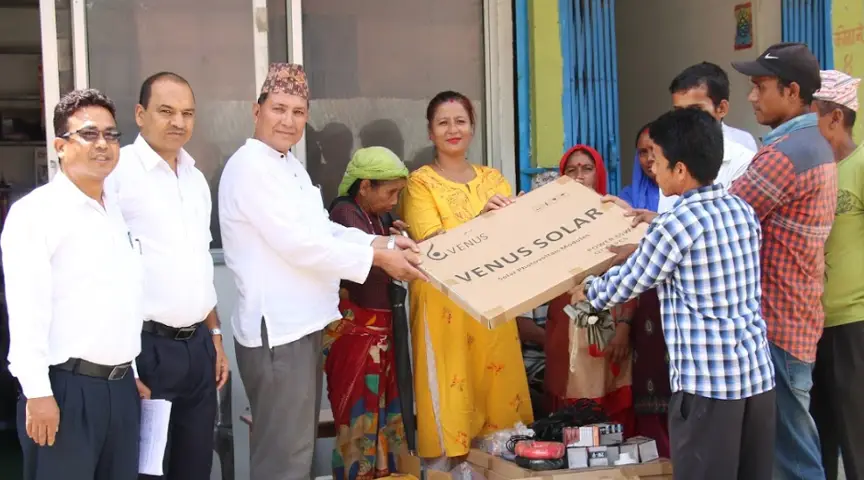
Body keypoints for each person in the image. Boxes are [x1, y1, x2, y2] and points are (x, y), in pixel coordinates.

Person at [218, 63, 426, 480]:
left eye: (298, 111)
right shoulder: (250, 168)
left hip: (304, 326)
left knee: (296, 451)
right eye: (278, 108)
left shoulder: (289, 166)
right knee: (284, 458)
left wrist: (381, 244)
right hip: (278, 332)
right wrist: (378, 259)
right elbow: (299, 245)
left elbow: (323, 230)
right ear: (256, 110)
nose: (288, 120)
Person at [572, 107, 776, 479]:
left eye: (658, 160)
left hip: (708, 390)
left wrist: (586, 288)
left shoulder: (676, 224)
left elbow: (627, 281)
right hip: (757, 381)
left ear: (680, 169)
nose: (652, 168)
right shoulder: (742, 211)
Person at [2, 89, 143, 480]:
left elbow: (120, 298)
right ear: (60, 147)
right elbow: (27, 309)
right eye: (89, 134)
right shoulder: (36, 214)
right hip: (64, 390)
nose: (103, 144)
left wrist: (130, 372)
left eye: (111, 135)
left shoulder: (115, 211)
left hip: (120, 389)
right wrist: (37, 392)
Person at [401, 90, 533, 469]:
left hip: (491, 306)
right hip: (444, 309)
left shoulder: (494, 179)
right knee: (451, 400)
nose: (452, 129)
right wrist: (482, 221)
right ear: (430, 132)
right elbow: (432, 246)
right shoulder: (420, 183)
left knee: (497, 407)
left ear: (472, 128)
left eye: (460, 121)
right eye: (443, 123)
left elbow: (510, 241)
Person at [104, 72, 227, 480]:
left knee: (195, 467)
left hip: (198, 349)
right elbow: (104, 271)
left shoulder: (195, 179)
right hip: (146, 349)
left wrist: (215, 336)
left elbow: (199, 265)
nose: (178, 122)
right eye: (166, 111)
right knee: (147, 470)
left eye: (187, 113)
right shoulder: (117, 174)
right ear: (140, 114)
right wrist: (129, 364)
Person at [730, 42, 836, 480]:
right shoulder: (810, 144)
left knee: (792, 456)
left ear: (792, 92)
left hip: (779, 324)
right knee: (783, 450)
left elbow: (727, 216)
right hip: (794, 318)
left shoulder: (788, 154)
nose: (752, 97)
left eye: (761, 86)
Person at [323, 146, 410, 480]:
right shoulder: (345, 213)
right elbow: (369, 268)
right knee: (359, 427)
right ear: (364, 186)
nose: (394, 202)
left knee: (383, 425)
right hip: (356, 341)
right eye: (390, 193)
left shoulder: (378, 216)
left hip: (381, 339)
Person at [543, 145, 635, 434]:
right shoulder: (548, 225)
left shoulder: (617, 215)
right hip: (565, 324)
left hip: (608, 322)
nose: (579, 176)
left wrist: (624, 327)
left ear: (599, 173)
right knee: (570, 405)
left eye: (586, 169)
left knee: (607, 401)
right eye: (571, 171)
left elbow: (633, 277)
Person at [808, 69, 864, 480]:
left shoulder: (860, 165)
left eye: (811, 117)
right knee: (817, 440)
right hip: (811, 325)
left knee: (857, 437)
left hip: (854, 322)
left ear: (836, 118)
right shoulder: (816, 171)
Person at [669, 62, 757, 179]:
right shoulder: (665, 151)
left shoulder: (743, 151)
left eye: (695, 109)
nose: (685, 118)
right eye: (679, 110)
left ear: (722, 108)